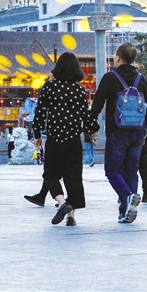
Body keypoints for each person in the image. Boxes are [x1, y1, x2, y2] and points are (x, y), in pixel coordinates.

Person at [90, 42, 147, 224]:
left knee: (112, 170)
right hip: (138, 132)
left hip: (117, 131)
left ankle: (127, 197)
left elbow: (97, 104)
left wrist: (91, 126)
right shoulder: (141, 79)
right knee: (131, 171)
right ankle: (125, 211)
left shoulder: (110, 78)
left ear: (118, 58)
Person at [37, 52, 99, 227]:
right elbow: (86, 115)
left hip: (55, 138)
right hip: (73, 140)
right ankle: (71, 217)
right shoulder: (78, 90)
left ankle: (62, 202)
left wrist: (37, 135)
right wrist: (92, 131)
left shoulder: (49, 87)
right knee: (73, 177)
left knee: (50, 174)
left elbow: (40, 113)